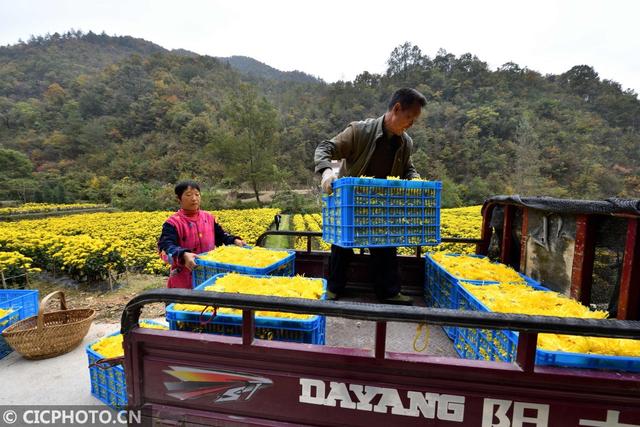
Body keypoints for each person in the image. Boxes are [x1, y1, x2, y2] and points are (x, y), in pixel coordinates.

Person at [314, 88, 427, 304]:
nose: (411, 123)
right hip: (350, 202)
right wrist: (327, 172)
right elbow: (324, 148)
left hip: (379, 205)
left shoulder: (406, 143)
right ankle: (333, 289)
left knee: (385, 245)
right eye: (409, 117)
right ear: (396, 109)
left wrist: (415, 178)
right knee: (342, 246)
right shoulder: (359, 131)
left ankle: (389, 293)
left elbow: (408, 168)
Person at [158, 181, 246, 288]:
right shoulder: (172, 223)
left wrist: (234, 240)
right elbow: (165, 247)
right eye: (188, 195)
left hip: (209, 275)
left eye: (197, 194)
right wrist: (183, 255)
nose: (194, 198)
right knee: (184, 304)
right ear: (178, 199)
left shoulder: (209, 218)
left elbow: (221, 236)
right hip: (183, 278)